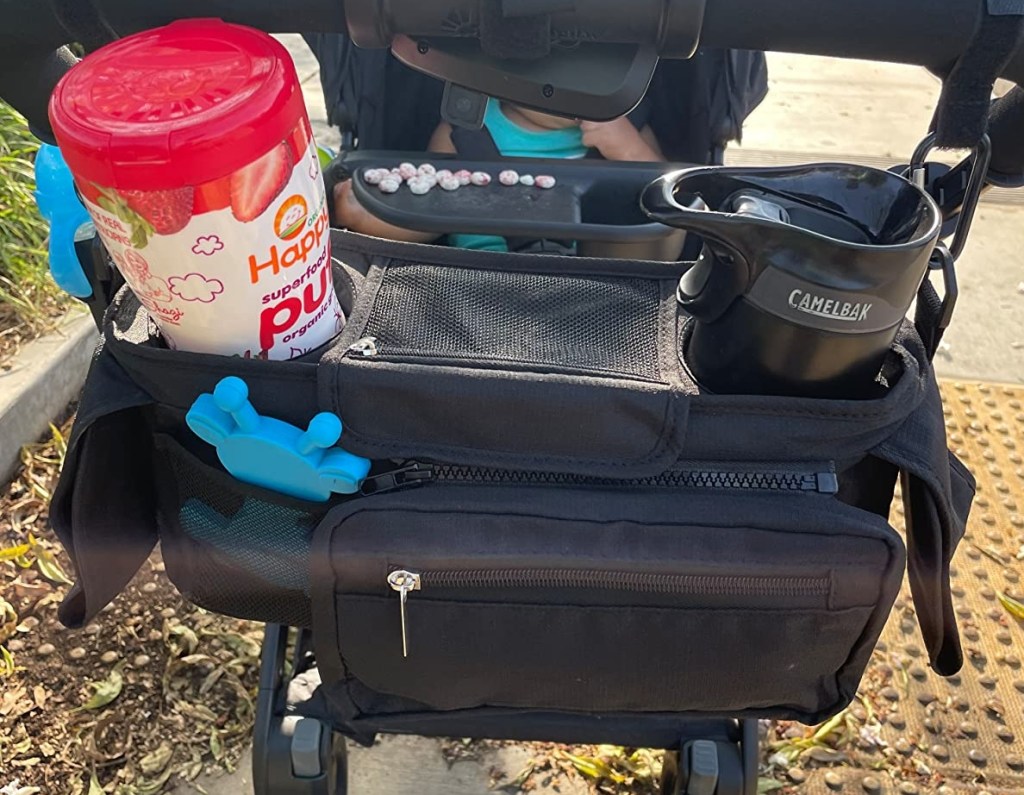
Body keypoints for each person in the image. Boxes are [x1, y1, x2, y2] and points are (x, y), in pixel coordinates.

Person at [332, 97, 665, 250]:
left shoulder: (627, 130)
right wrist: (368, 214)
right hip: (481, 283)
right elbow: (427, 220)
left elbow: (670, 234)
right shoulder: (464, 129)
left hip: (598, 287)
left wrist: (630, 151)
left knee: (658, 210)